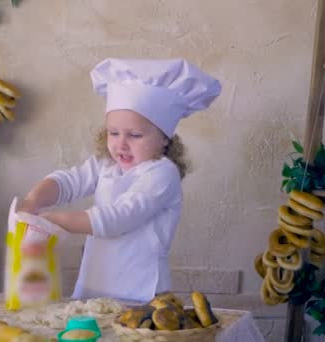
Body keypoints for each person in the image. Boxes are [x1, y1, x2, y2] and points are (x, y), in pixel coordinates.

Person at [17, 58, 222, 302]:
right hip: (97, 283)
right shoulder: (107, 165)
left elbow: (119, 218)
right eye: (113, 133)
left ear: (164, 138)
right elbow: (68, 182)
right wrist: (33, 201)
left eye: (135, 135)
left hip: (142, 292)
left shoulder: (162, 174)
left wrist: (53, 221)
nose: (121, 144)